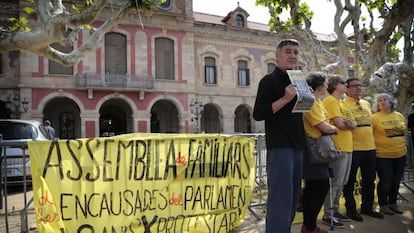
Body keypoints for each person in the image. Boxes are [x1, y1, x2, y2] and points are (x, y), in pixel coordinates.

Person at [253, 38, 304, 233]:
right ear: (277, 56)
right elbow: (258, 113)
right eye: (288, 51)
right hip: (280, 146)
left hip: (298, 145)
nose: (293, 56)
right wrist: (285, 98)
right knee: (281, 198)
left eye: (296, 53)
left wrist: (308, 101)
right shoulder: (268, 81)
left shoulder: (299, 79)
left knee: (293, 198)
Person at [302, 72, 338, 233]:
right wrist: (335, 128)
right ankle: (309, 226)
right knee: (319, 187)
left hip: (317, 150)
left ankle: (308, 226)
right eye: (325, 83)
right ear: (320, 86)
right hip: (314, 151)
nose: (327, 86)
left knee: (313, 188)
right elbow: (322, 126)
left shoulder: (317, 102)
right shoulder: (312, 103)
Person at [343, 78, 384, 221]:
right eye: (354, 86)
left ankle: (367, 208)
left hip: (370, 148)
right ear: (346, 89)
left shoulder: (366, 103)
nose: (358, 88)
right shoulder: (342, 104)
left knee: (369, 179)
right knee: (350, 181)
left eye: (360, 85)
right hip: (353, 148)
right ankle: (351, 210)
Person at [321, 75, 357, 228]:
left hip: (348, 147)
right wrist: (349, 123)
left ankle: (334, 210)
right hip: (338, 147)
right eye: (343, 83)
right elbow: (340, 124)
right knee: (335, 183)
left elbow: (354, 123)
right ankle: (328, 214)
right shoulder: (330, 101)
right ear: (335, 85)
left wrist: (349, 123)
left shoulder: (342, 103)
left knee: (342, 182)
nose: (346, 85)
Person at [371, 93, 407, 215]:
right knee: (386, 181)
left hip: (400, 155)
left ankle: (393, 203)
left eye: (385, 99)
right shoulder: (374, 118)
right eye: (380, 100)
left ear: (391, 102)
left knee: (396, 181)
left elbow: (403, 132)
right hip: (382, 156)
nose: (382, 102)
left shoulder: (399, 116)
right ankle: (383, 205)